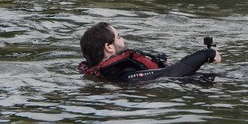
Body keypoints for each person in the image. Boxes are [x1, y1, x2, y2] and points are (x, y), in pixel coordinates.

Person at [79, 22, 221, 83]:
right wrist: (206, 54)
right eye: (119, 36)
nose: (123, 40)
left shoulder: (103, 74)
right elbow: (170, 74)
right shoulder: (125, 76)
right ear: (109, 47)